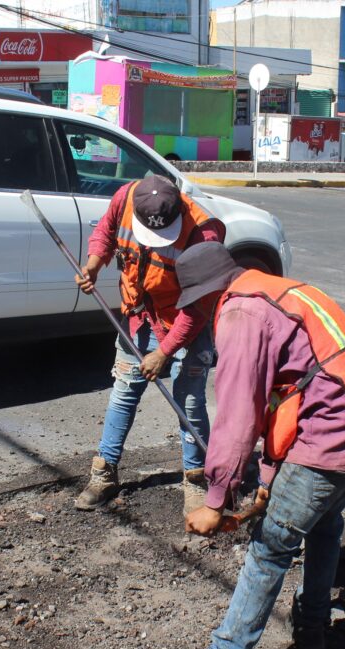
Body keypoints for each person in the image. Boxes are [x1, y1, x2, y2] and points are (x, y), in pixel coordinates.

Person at [149, 243, 345, 649]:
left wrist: (216, 500)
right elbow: (289, 395)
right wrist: (266, 481)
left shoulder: (241, 315)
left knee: (269, 549)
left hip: (332, 434)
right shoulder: (278, 291)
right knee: (324, 525)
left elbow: (239, 416)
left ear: (206, 294)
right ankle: (313, 631)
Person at [74, 175, 225, 516]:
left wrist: (164, 351)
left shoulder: (203, 233)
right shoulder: (126, 197)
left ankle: (195, 478)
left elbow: (198, 306)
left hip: (188, 323)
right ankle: (104, 472)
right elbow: (105, 233)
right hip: (140, 316)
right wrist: (94, 265)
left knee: (188, 400)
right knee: (125, 390)